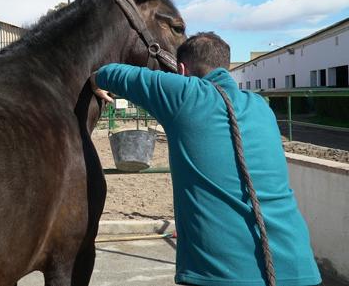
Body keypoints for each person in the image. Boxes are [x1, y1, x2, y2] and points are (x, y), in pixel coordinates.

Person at [91, 32, 321, 286]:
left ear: (181, 69)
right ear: (227, 66)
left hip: (222, 275)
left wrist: (95, 80)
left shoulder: (184, 95)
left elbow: (109, 72)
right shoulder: (261, 106)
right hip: (300, 269)